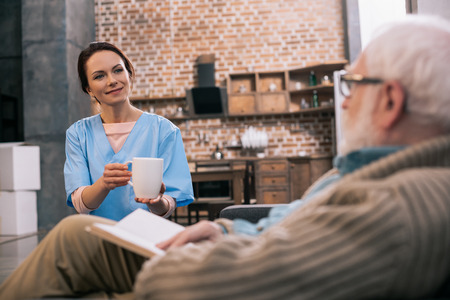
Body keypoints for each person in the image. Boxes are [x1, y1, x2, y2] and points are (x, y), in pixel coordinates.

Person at [1, 15, 450, 300]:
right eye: (99, 76)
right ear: (89, 88)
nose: (344, 102)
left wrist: (159, 205)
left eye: (352, 86)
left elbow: (250, 266)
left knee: (72, 244)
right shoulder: (361, 173)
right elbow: (78, 199)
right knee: (75, 230)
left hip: (182, 260)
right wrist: (221, 225)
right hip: (213, 242)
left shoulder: (405, 204)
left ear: (390, 101)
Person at [64, 42, 194, 221]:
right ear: (88, 89)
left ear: (129, 73)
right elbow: (80, 204)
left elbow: (168, 204)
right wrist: (103, 184)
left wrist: (156, 202)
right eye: (99, 76)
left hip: (147, 238)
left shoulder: (164, 131)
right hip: (98, 238)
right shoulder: (78, 134)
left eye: (118, 70)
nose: (112, 81)